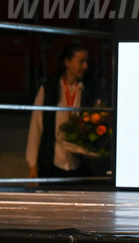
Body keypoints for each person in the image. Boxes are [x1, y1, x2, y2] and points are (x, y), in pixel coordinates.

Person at [25, 42, 91, 181]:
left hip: (81, 166)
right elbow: (36, 127)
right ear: (67, 62)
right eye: (81, 61)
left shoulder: (90, 91)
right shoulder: (48, 90)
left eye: (86, 62)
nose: (85, 66)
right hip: (53, 164)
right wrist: (32, 165)